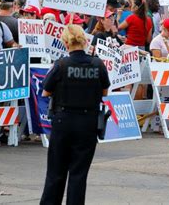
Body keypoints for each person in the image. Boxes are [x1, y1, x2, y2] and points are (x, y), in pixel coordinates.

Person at [40, 24, 110, 205]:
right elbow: (105, 92)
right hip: (88, 122)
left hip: (64, 120)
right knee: (79, 173)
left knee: (56, 171)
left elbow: (45, 92)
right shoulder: (97, 64)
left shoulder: (61, 64)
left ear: (65, 43)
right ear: (85, 41)